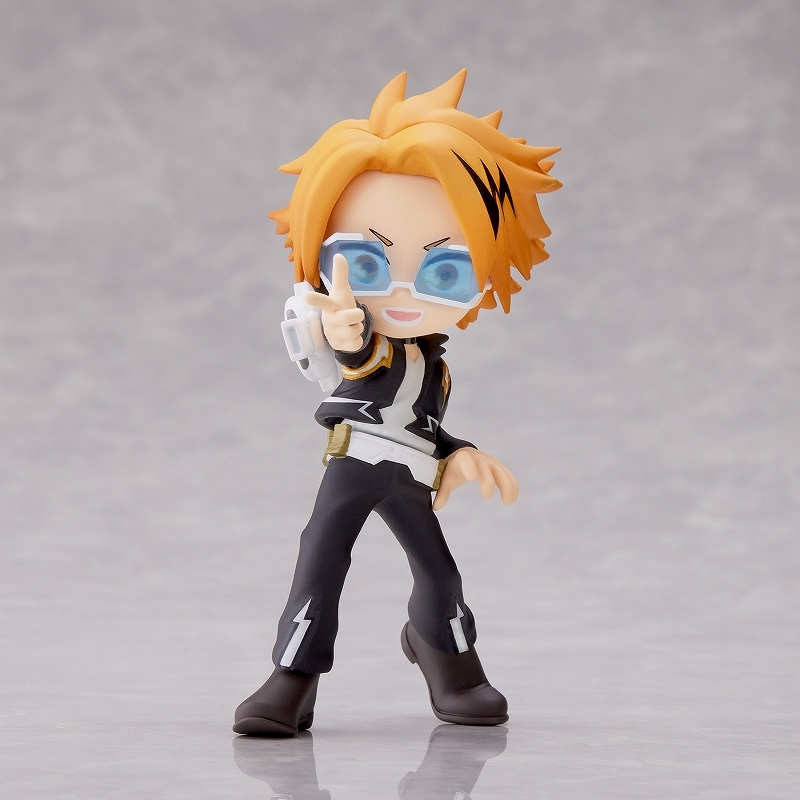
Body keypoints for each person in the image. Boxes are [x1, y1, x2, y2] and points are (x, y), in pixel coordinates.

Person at [233, 70, 560, 736]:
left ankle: (446, 657)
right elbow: (358, 361)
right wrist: (344, 330)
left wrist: (460, 453)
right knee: (321, 562)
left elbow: (424, 424)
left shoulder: (434, 366)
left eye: (447, 271)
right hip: (355, 464)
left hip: (411, 473)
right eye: (367, 263)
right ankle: (292, 678)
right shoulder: (371, 344)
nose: (406, 293)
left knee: (439, 572)